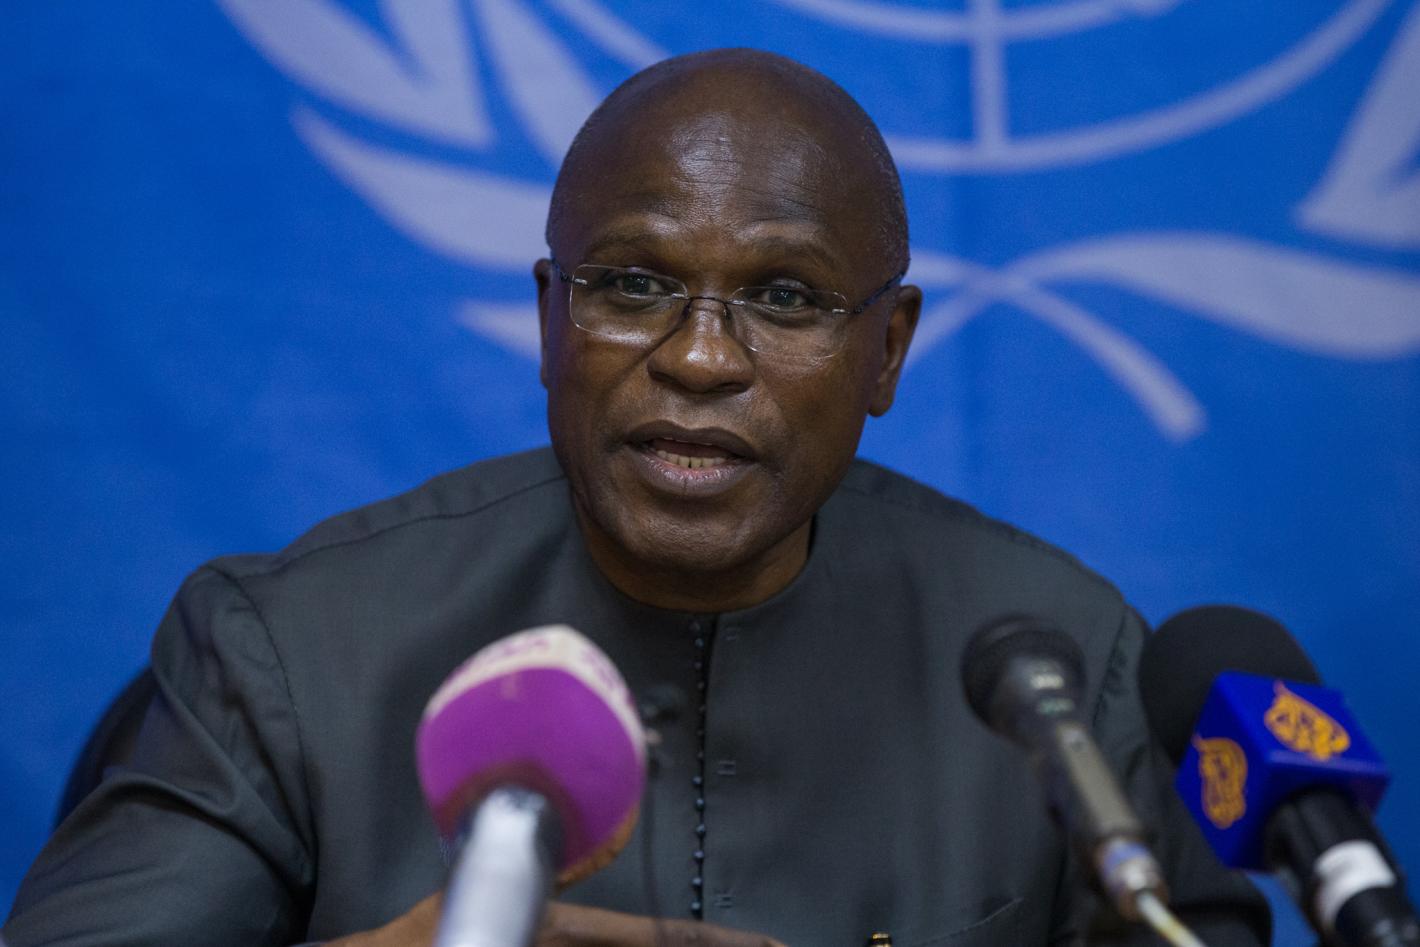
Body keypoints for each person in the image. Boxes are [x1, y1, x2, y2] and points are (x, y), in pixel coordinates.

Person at [5, 49, 1268, 946]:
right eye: (631, 284)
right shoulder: (288, 649)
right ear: (550, 319)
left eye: (784, 297)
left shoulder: (1059, 668)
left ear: (885, 352)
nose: (701, 358)